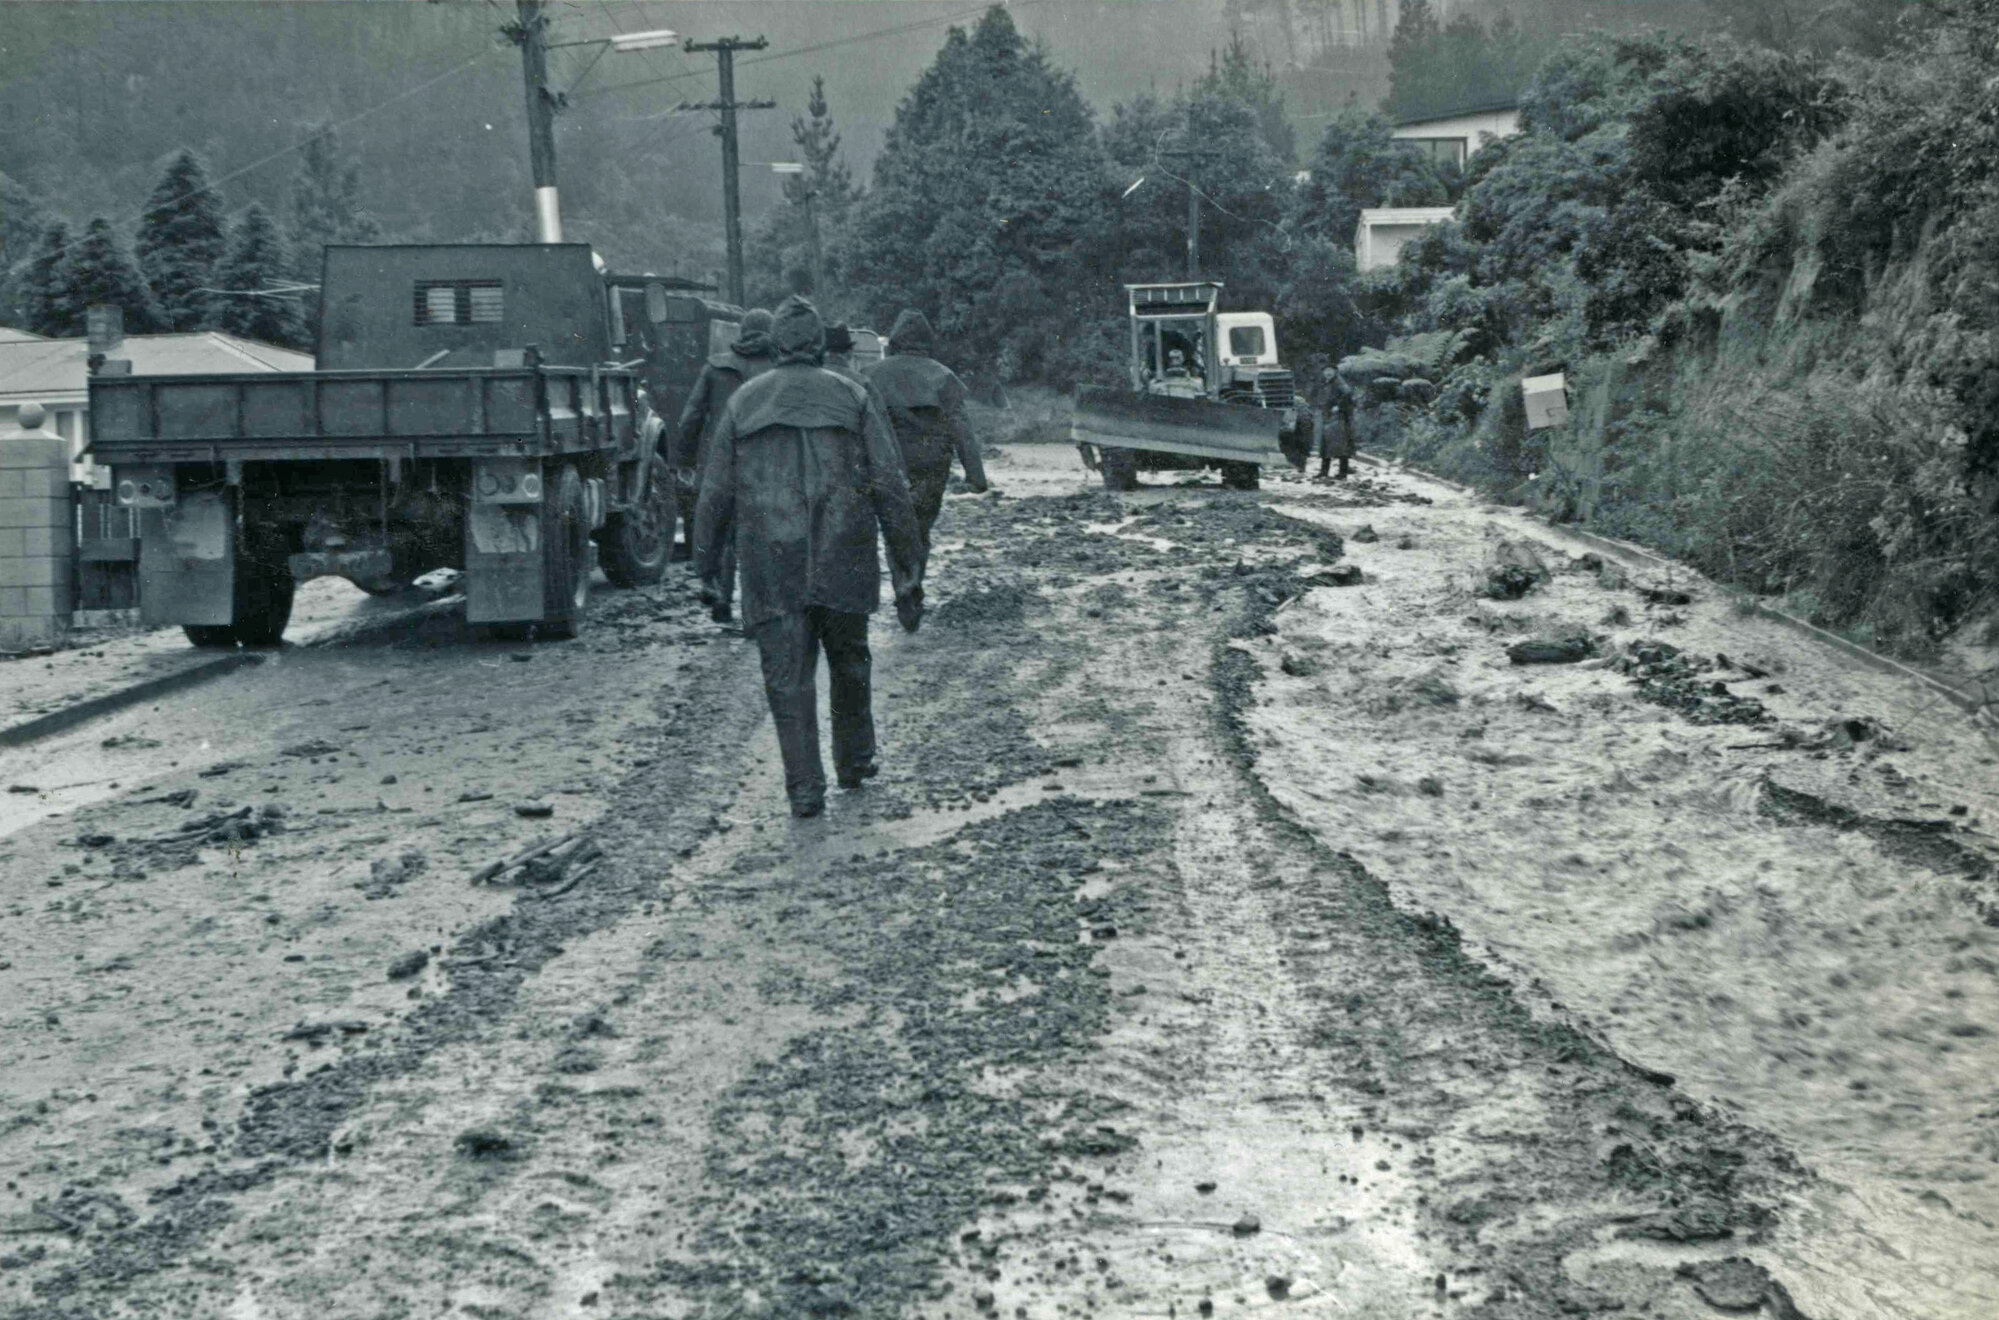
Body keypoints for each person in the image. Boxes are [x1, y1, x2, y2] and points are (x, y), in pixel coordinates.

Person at [693, 296, 927, 819]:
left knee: (786, 676)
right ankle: (855, 761)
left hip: (771, 562)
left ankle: (804, 788)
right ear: (820, 346)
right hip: (844, 552)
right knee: (849, 660)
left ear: (775, 347)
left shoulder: (744, 403)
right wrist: (908, 569)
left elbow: (714, 494)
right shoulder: (853, 394)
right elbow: (891, 487)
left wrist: (706, 570)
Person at [671, 309, 774, 605]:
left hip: (722, 462)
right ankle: (756, 608)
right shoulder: (779, 368)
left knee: (719, 528)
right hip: (767, 465)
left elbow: (691, 418)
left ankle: (719, 591)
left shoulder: (715, 367)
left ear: (741, 332)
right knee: (761, 536)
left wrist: (686, 460)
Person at [862, 309, 989, 549]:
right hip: (932, 466)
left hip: (886, 464)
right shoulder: (943, 376)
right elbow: (962, 430)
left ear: (894, 340)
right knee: (921, 527)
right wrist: (976, 478)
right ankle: (913, 578)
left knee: (895, 530)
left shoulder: (870, 375)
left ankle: (905, 579)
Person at [1318, 367, 1357, 481]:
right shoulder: (1328, 383)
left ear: (1335, 372)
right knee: (1326, 444)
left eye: (1331, 370)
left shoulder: (1338, 382)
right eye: (1326, 370)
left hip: (1338, 418)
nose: (1328, 373)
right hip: (1329, 417)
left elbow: (1348, 393)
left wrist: (1338, 406)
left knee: (1340, 446)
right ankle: (1324, 471)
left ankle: (1342, 473)